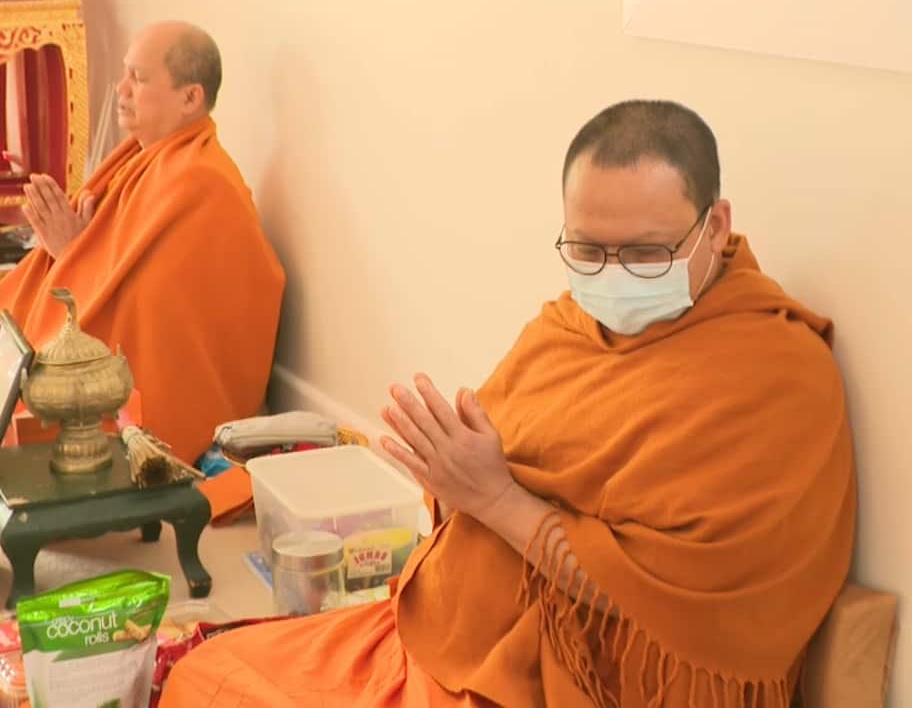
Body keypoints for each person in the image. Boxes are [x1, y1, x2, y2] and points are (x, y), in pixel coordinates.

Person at [160, 100, 855, 707]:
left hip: (598, 680)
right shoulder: (567, 325)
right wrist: (453, 476)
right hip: (462, 643)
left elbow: (676, 613)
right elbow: (485, 475)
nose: (612, 278)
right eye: (587, 249)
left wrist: (495, 499)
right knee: (209, 674)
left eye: (645, 254)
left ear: (716, 224)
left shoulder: (776, 377)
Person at [0, 22, 285, 465]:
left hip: (182, 393)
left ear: (190, 98)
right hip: (106, 307)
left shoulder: (200, 181)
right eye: (125, 74)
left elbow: (156, 311)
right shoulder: (148, 158)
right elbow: (129, 273)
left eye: (138, 78)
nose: (122, 90)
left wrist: (74, 254)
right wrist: (76, 253)